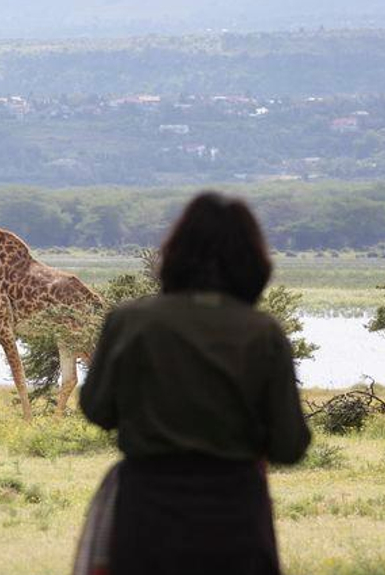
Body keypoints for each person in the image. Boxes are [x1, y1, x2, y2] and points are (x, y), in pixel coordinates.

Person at [79, 192, 311, 575]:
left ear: (174, 253)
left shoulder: (130, 321)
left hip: (146, 515)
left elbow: (97, 410)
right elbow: (290, 446)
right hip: (236, 520)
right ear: (252, 261)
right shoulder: (263, 333)